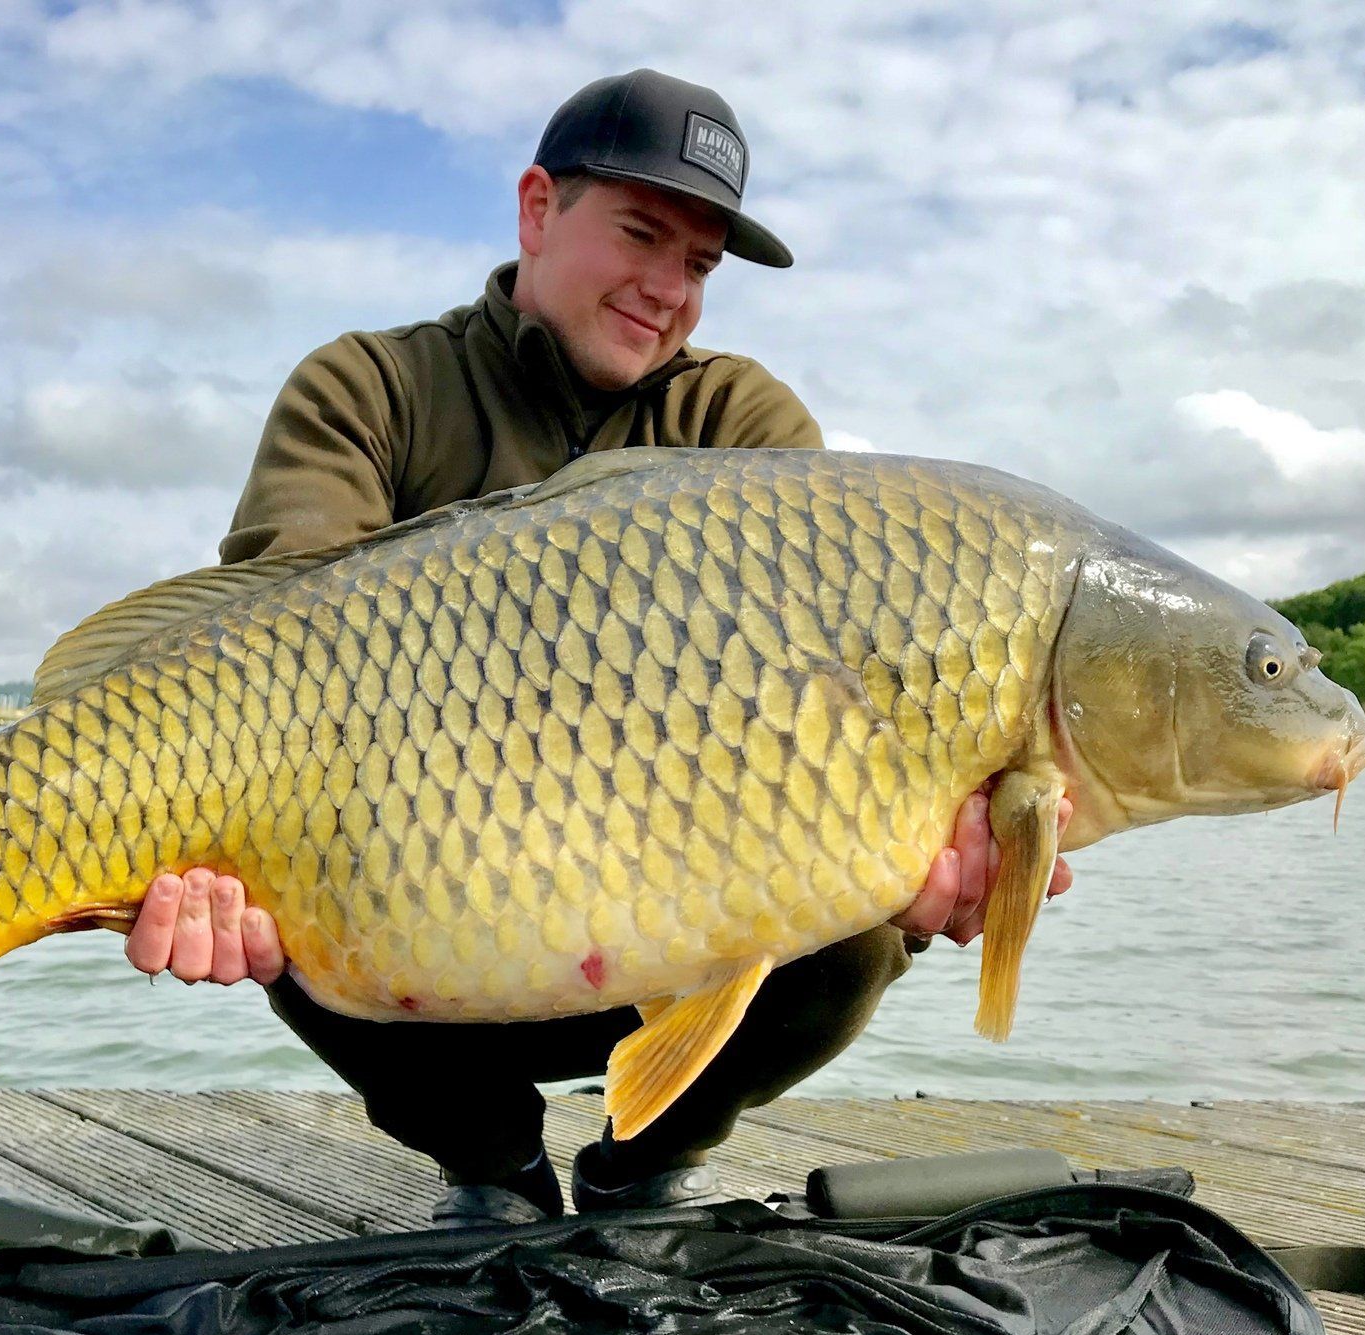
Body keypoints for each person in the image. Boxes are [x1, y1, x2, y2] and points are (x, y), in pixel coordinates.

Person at [123, 69, 1073, 1225]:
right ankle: (488, 1167)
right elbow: (262, 661)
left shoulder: (747, 429)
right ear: (536, 209)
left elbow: (835, 728)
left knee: (858, 916)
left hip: (671, 914)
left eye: (702, 264)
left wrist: (932, 844)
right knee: (288, 882)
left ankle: (647, 1160)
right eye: (641, 233)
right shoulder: (368, 388)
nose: (668, 287)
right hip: (425, 906)